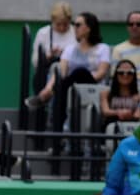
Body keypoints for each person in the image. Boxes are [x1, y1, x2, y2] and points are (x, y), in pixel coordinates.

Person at [32, 12, 110, 141]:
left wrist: (78, 79)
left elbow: (101, 73)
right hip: (70, 88)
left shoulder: (102, 48)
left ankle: (46, 101)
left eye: (78, 24)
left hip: (92, 86)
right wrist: (49, 87)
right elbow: (61, 71)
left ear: (89, 28)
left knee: (80, 72)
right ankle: (49, 97)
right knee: (64, 83)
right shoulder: (70, 49)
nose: (75, 28)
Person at [31, 1, 77, 98]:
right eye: (58, 24)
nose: (62, 28)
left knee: (59, 68)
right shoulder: (43, 33)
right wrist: (48, 56)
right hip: (45, 74)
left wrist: (66, 55)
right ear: (52, 20)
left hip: (69, 73)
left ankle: (46, 95)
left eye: (65, 24)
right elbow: (35, 62)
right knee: (56, 68)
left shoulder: (75, 33)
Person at [99, 60, 140, 128]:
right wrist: (119, 112)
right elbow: (105, 111)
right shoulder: (105, 94)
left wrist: (128, 115)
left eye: (130, 72)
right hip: (110, 128)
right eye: (121, 72)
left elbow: (138, 115)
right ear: (116, 74)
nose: (125, 75)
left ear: (134, 75)